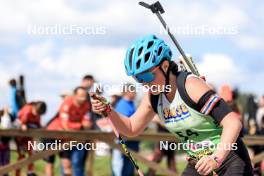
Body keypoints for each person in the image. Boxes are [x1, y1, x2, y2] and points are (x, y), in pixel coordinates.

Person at [91, 35, 253, 176]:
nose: (144, 83)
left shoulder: (190, 86)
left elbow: (233, 122)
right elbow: (131, 128)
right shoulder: (153, 98)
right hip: (198, 162)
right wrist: (108, 110)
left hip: (229, 158)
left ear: (166, 66)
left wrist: (215, 158)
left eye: (147, 76)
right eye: (138, 79)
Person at [47, 86, 92, 176]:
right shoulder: (66, 104)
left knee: (77, 164)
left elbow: (87, 124)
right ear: (74, 95)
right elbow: (65, 125)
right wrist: (80, 126)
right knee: (63, 166)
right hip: (61, 138)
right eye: (81, 96)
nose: (83, 98)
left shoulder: (86, 105)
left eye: (84, 96)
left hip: (77, 139)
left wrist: (80, 126)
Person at [111, 84, 140, 176]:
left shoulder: (131, 104)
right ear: (126, 92)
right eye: (133, 91)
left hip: (132, 140)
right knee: (120, 166)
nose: (135, 93)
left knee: (129, 166)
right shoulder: (123, 104)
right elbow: (121, 123)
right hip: (124, 140)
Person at [16, 101, 47, 176]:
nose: (37, 114)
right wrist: (23, 125)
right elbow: (22, 123)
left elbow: (38, 125)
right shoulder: (27, 110)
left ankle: (30, 172)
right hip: (20, 138)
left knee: (31, 155)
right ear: (34, 107)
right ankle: (17, 174)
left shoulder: (38, 114)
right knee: (21, 156)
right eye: (36, 112)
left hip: (29, 137)